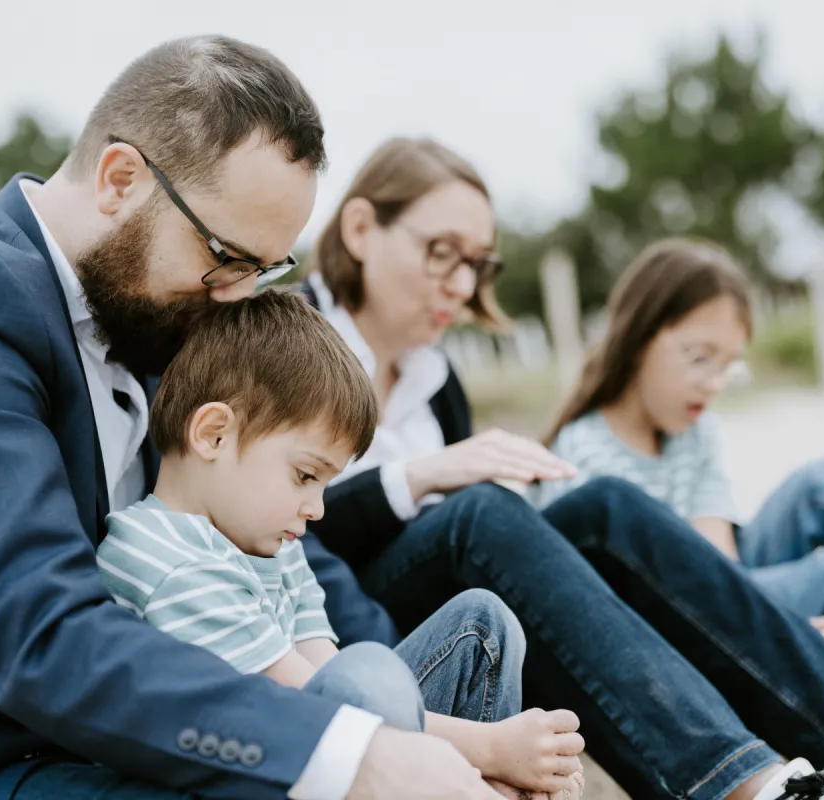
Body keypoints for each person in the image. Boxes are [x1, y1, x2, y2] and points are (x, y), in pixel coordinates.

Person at [0, 37, 511, 800]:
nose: (237, 294)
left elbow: (282, 554)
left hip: (100, 752)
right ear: (121, 179)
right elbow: (39, 633)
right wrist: (356, 757)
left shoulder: (153, 322)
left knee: (467, 652)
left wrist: (410, 721)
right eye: (225, 254)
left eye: (264, 270)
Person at [297, 136, 824, 799]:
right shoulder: (288, 342)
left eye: (479, 263)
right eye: (442, 253)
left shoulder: (438, 380)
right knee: (478, 511)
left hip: (477, 604)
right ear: (360, 227)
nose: (464, 284)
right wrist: (416, 478)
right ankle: (744, 785)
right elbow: (281, 532)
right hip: (363, 631)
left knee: (605, 506)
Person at [97, 290, 586, 798]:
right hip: (239, 768)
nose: (318, 508)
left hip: (316, 745)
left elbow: (324, 668)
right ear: (215, 435)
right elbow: (314, 708)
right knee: (371, 677)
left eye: (324, 485)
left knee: (482, 623)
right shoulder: (167, 558)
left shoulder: (272, 542)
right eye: (305, 475)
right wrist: (489, 748)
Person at [536, 236, 824, 730]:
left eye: (728, 366)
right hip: (668, 627)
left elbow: (720, 561)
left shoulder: (695, 433)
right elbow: (622, 611)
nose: (714, 383)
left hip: (719, 584)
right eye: (700, 358)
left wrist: (770, 619)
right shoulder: (582, 455)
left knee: (823, 482)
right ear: (638, 341)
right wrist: (783, 634)